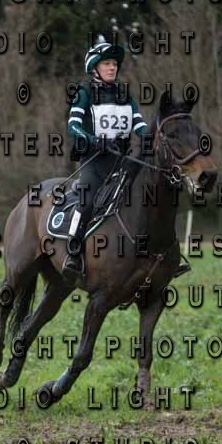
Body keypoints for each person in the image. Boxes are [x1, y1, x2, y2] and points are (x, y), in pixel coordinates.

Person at [62, 42, 151, 281]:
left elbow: (140, 125)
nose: (112, 68)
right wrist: (95, 141)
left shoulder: (125, 95)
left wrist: (152, 138)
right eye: (107, 64)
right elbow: (73, 127)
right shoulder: (83, 92)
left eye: (114, 64)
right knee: (87, 200)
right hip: (94, 162)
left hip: (122, 162)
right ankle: (72, 253)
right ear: (94, 68)